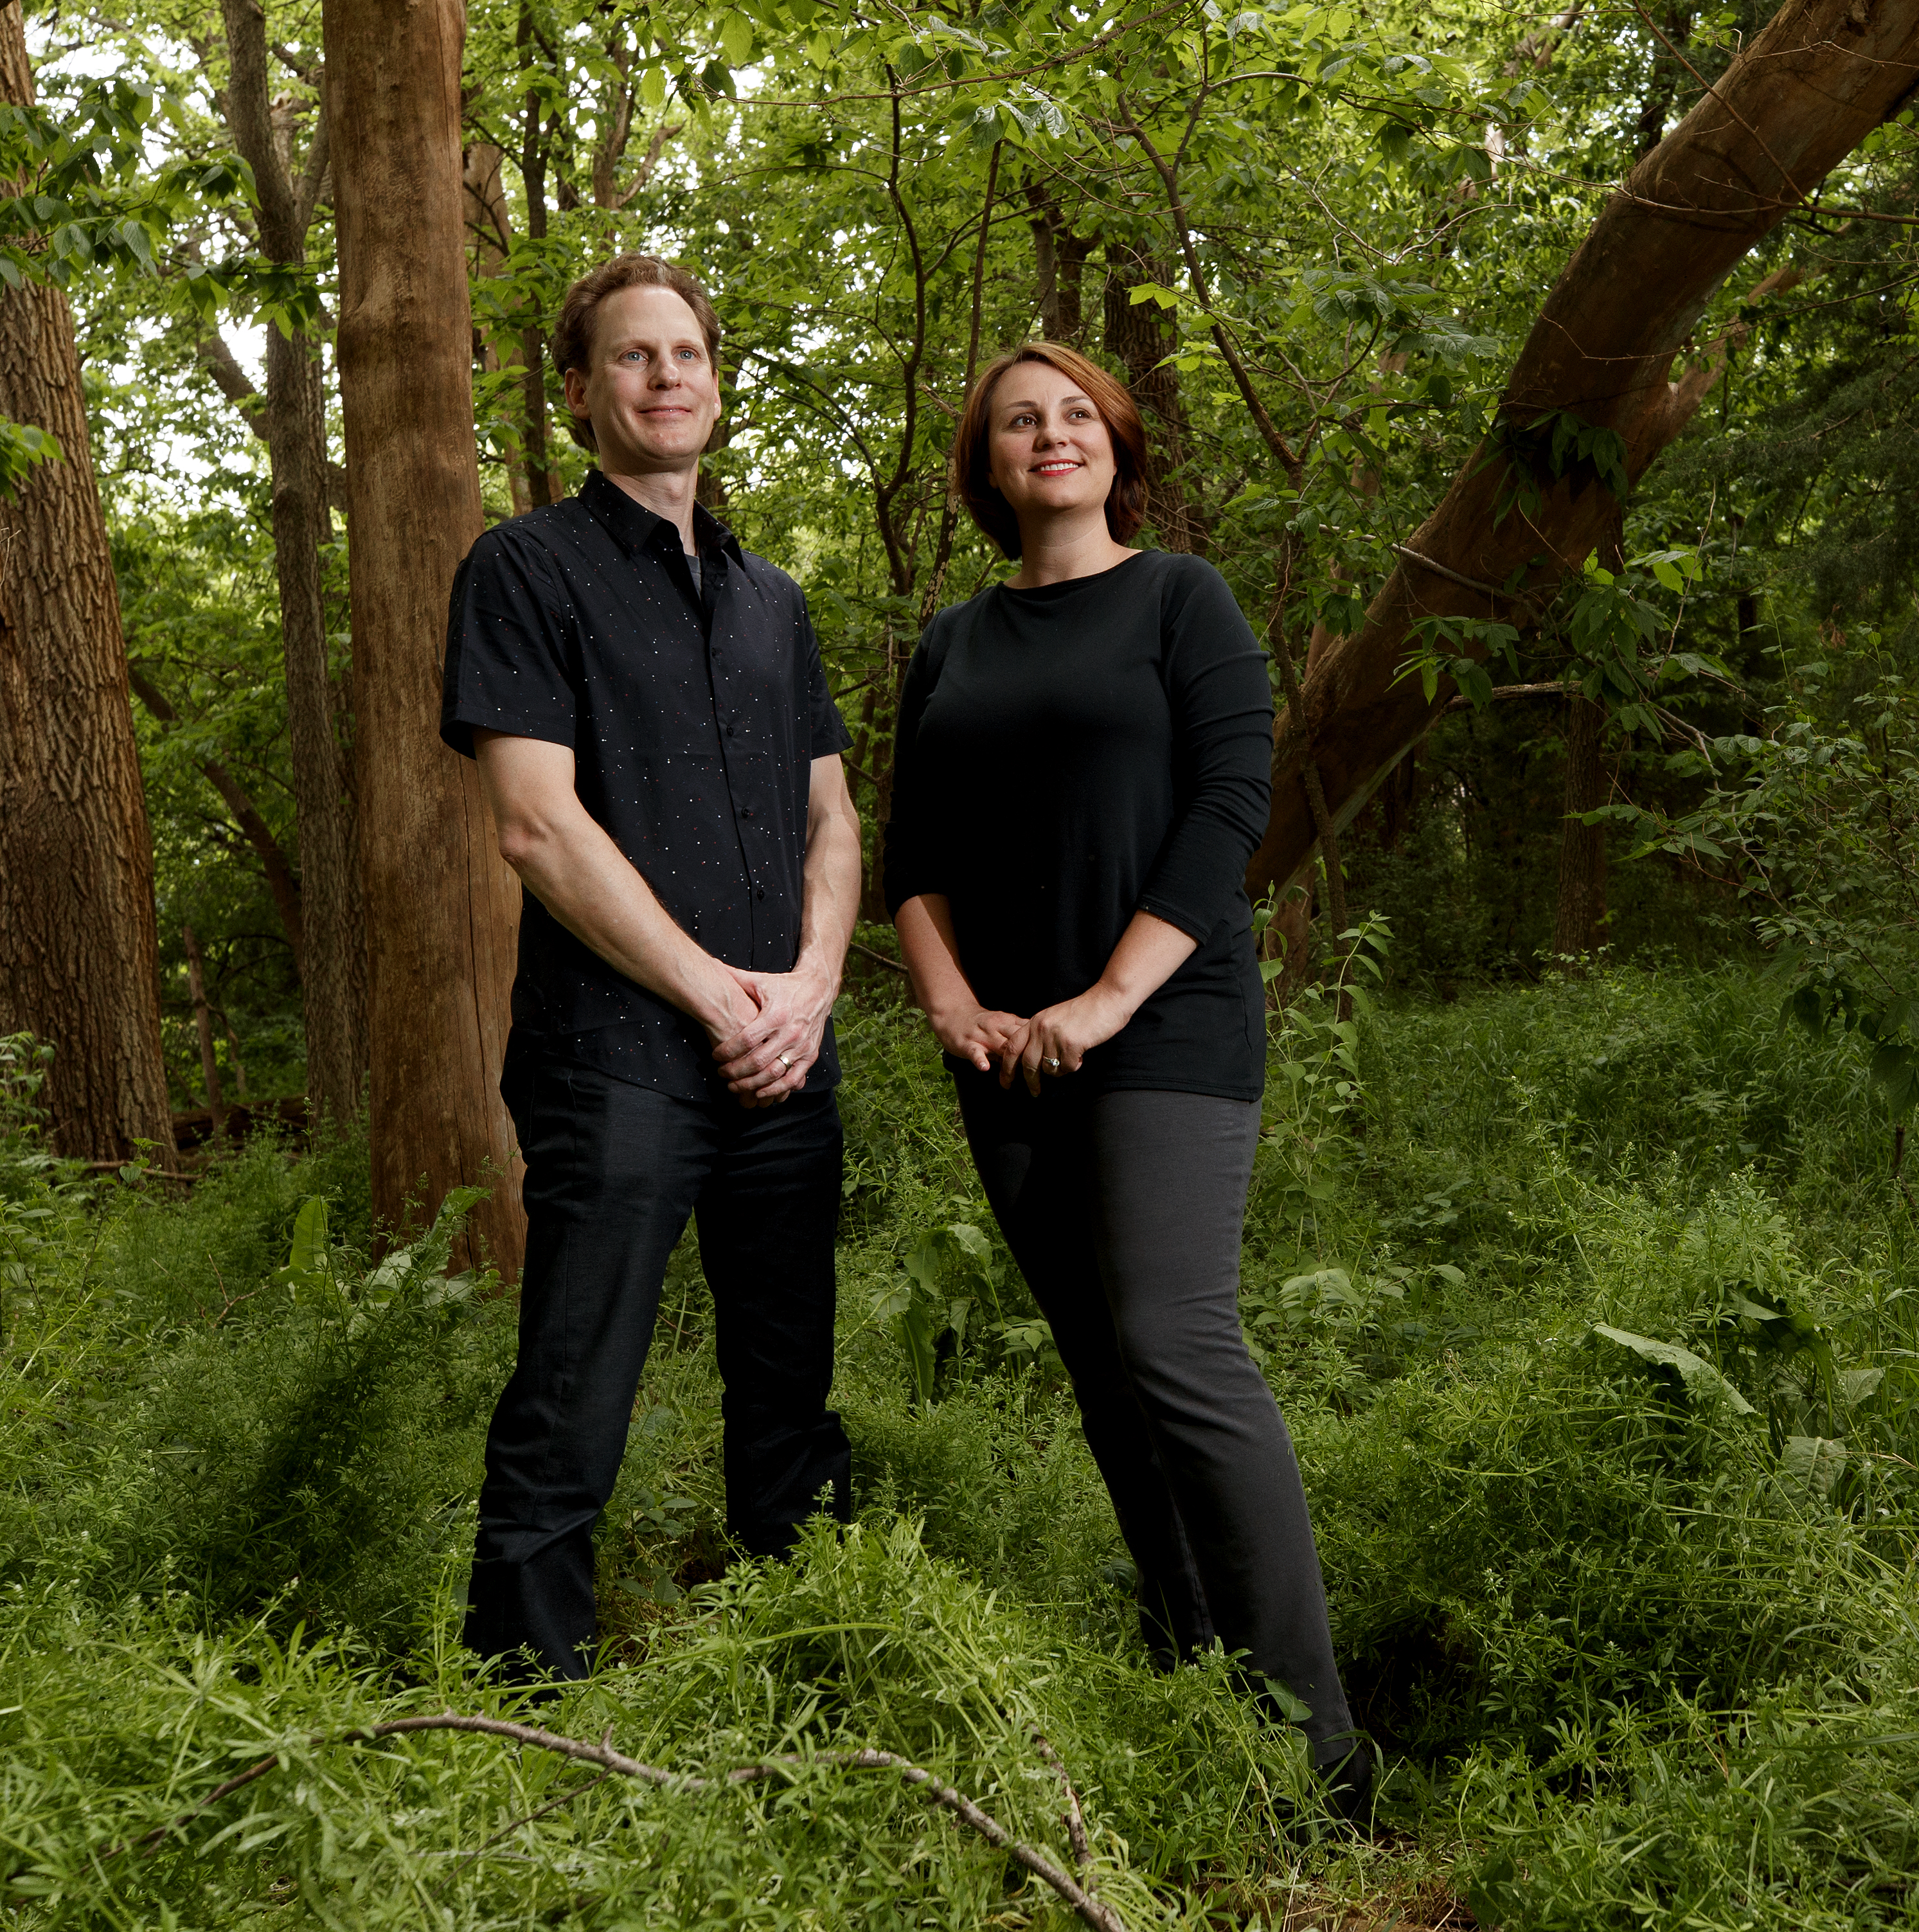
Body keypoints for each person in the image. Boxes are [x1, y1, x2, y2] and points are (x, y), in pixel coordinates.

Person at [881, 339, 1365, 1807]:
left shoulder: (1181, 599)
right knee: (1102, 1369)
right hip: (1007, 1053)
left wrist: (1104, 997)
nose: (1051, 435)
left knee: (1177, 1343)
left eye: (1075, 414)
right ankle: (1191, 1670)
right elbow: (917, 859)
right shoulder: (952, 644)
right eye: (1021, 421)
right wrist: (955, 1001)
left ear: (1117, 441)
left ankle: (1321, 1751)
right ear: (987, 464)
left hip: (1162, 1024)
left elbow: (1232, 808)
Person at [442, 253, 859, 1682]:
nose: (666, 375)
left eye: (687, 353)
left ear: (717, 383)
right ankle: (524, 1706)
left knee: (789, 1392)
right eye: (633, 356)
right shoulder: (524, 572)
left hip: (783, 1061)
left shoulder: (773, 603)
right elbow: (535, 827)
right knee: (576, 1393)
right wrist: (715, 992)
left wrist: (803, 991)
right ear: (580, 393)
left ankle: (811, 1666)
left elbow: (834, 820)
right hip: (613, 1058)